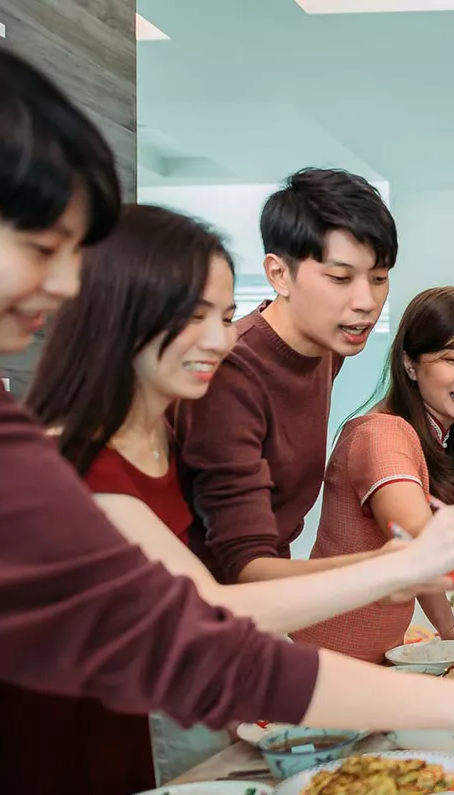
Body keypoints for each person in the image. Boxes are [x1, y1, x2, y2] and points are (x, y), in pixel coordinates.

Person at [0, 41, 454, 795]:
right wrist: (433, 631)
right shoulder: (64, 459)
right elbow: (206, 619)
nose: (219, 337)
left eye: (375, 279)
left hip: (130, 724)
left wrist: (421, 580)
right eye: (39, 244)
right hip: (58, 758)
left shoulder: (271, 382)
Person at [175, 167, 398, 585]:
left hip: (265, 597)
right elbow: (245, 563)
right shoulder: (230, 373)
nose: (367, 301)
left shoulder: (328, 349)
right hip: (206, 602)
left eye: (380, 278)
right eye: (340, 278)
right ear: (279, 274)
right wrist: (392, 568)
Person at [293, 287, 454, 661]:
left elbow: (414, 560)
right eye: (451, 358)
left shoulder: (428, 435)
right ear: (410, 364)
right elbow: (418, 538)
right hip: (329, 661)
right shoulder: (383, 434)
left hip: (372, 657)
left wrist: (448, 629)